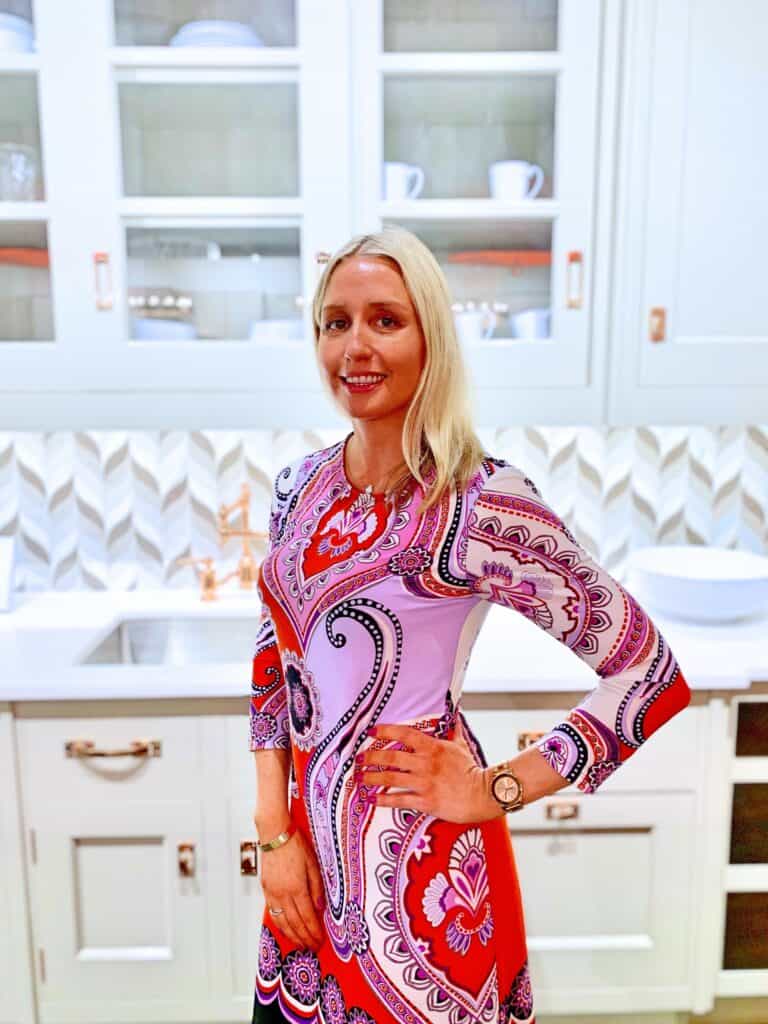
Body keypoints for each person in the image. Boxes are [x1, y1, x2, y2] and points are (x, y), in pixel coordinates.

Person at [249, 226, 692, 1024]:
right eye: (335, 321)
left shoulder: (479, 503)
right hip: (307, 862)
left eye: (386, 319)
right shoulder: (297, 486)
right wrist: (274, 839)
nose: (356, 345)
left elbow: (651, 674)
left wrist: (498, 788)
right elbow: (275, 666)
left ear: (432, 339)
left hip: (416, 870)